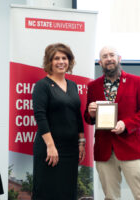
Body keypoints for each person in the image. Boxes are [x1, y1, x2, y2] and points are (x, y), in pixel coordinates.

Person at [84, 46, 140, 200]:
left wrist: (126, 124)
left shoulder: (136, 81)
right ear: (100, 62)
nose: (108, 58)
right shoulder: (93, 86)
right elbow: (88, 118)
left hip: (131, 148)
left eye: (112, 55)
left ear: (119, 58)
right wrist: (90, 113)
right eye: (104, 56)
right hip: (104, 151)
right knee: (110, 197)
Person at [32, 43, 86, 200]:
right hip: (50, 149)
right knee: (47, 191)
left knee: (67, 192)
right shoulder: (42, 86)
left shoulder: (73, 85)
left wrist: (81, 142)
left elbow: (77, 115)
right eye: (56, 58)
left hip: (70, 149)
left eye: (64, 58)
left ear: (69, 61)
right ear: (50, 62)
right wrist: (51, 146)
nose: (61, 61)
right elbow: (40, 116)